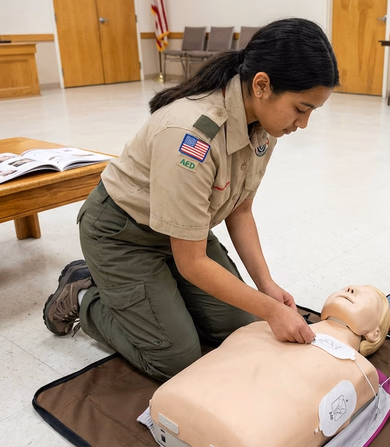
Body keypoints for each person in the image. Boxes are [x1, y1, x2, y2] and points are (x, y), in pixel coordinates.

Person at [42, 18, 339, 382]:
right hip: (122, 234)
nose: (303, 123)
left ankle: (158, 296)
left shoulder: (264, 123)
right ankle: (85, 294)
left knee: (239, 327)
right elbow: (193, 262)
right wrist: (270, 310)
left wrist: (267, 287)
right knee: (175, 358)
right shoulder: (190, 136)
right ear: (261, 85)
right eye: (301, 108)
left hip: (183, 233)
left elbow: (240, 209)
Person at [148, 285, 390, 447]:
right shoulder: (265, 326)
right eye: (349, 286)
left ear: (375, 332)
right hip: (182, 401)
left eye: (363, 293)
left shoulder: (361, 370)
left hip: (235, 431)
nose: (349, 288)